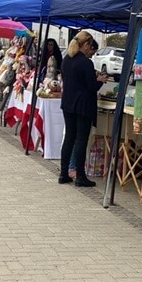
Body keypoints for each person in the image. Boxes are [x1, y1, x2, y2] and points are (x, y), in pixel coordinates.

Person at [59, 30, 107, 187]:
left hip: (68, 103)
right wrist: (100, 80)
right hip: (83, 105)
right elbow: (91, 87)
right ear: (85, 44)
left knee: (69, 138)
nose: (91, 50)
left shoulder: (67, 59)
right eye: (90, 46)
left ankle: (63, 173)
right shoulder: (86, 63)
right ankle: (80, 176)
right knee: (81, 140)